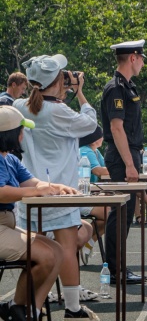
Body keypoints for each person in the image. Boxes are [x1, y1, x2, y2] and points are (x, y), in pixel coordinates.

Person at [13, 54, 100, 320]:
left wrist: (63, 91)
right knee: (67, 249)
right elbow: (91, 125)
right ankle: (72, 308)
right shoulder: (60, 112)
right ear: (58, 80)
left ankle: (30, 306)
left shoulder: (19, 105)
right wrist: (80, 92)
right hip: (61, 193)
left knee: (36, 254)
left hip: (30, 192)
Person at [0, 106, 78, 321]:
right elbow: (2, 192)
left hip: (6, 225)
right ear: (10, 133)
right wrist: (35, 191)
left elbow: (34, 182)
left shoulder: (10, 159)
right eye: (21, 129)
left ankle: (27, 310)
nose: (23, 134)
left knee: (58, 251)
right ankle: (18, 307)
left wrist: (57, 187)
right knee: (46, 255)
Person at [100, 39, 147, 285]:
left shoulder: (128, 86)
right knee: (120, 214)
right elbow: (116, 128)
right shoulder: (116, 88)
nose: (143, 64)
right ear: (133, 58)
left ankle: (118, 267)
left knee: (125, 214)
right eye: (142, 58)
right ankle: (115, 270)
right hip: (122, 156)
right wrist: (129, 164)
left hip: (129, 153)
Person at [78, 126, 109, 264]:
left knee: (111, 214)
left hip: (90, 193)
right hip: (82, 195)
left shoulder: (95, 151)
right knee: (112, 213)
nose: (103, 138)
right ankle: (86, 243)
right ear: (95, 138)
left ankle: (88, 243)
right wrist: (119, 169)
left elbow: (105, 168)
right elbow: (99, 171)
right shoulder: (85, 151)